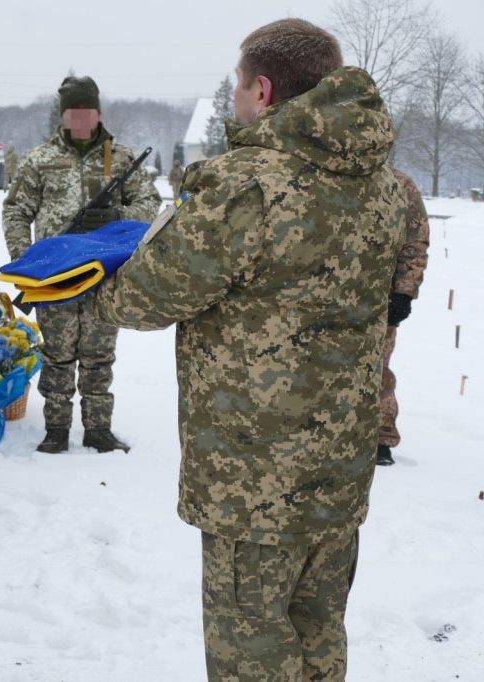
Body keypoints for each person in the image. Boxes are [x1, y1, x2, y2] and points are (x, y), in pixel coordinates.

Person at [91, 20, 406, 680]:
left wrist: (89, 280)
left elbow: (144, 298)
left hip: (255, 482)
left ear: (263, 90)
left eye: (238, 85)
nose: (234, 98)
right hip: (337, 473)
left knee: (252, 653)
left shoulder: (245, 185)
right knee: (319, 631)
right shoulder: (380, 186)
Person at [3, 75, 161, 454]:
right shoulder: (40, 160)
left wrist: (115, 215)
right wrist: (27, 263)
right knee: (56, 356)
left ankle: (98, 430)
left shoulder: (119, 159)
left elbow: (150, 205)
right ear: (62, 116)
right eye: (72, 113)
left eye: (86, 112)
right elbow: (16, 211)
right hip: (55, 278)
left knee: (99, 357)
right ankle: (56, 430)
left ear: (98, 113)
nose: (80, 120)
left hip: (103, 276)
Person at [377, 169, 430, 466]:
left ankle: (380, 437)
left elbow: (415, 240)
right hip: (323, 298)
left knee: (377, 368)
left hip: (379, 299)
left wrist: (404, 293)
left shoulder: (398, 183)